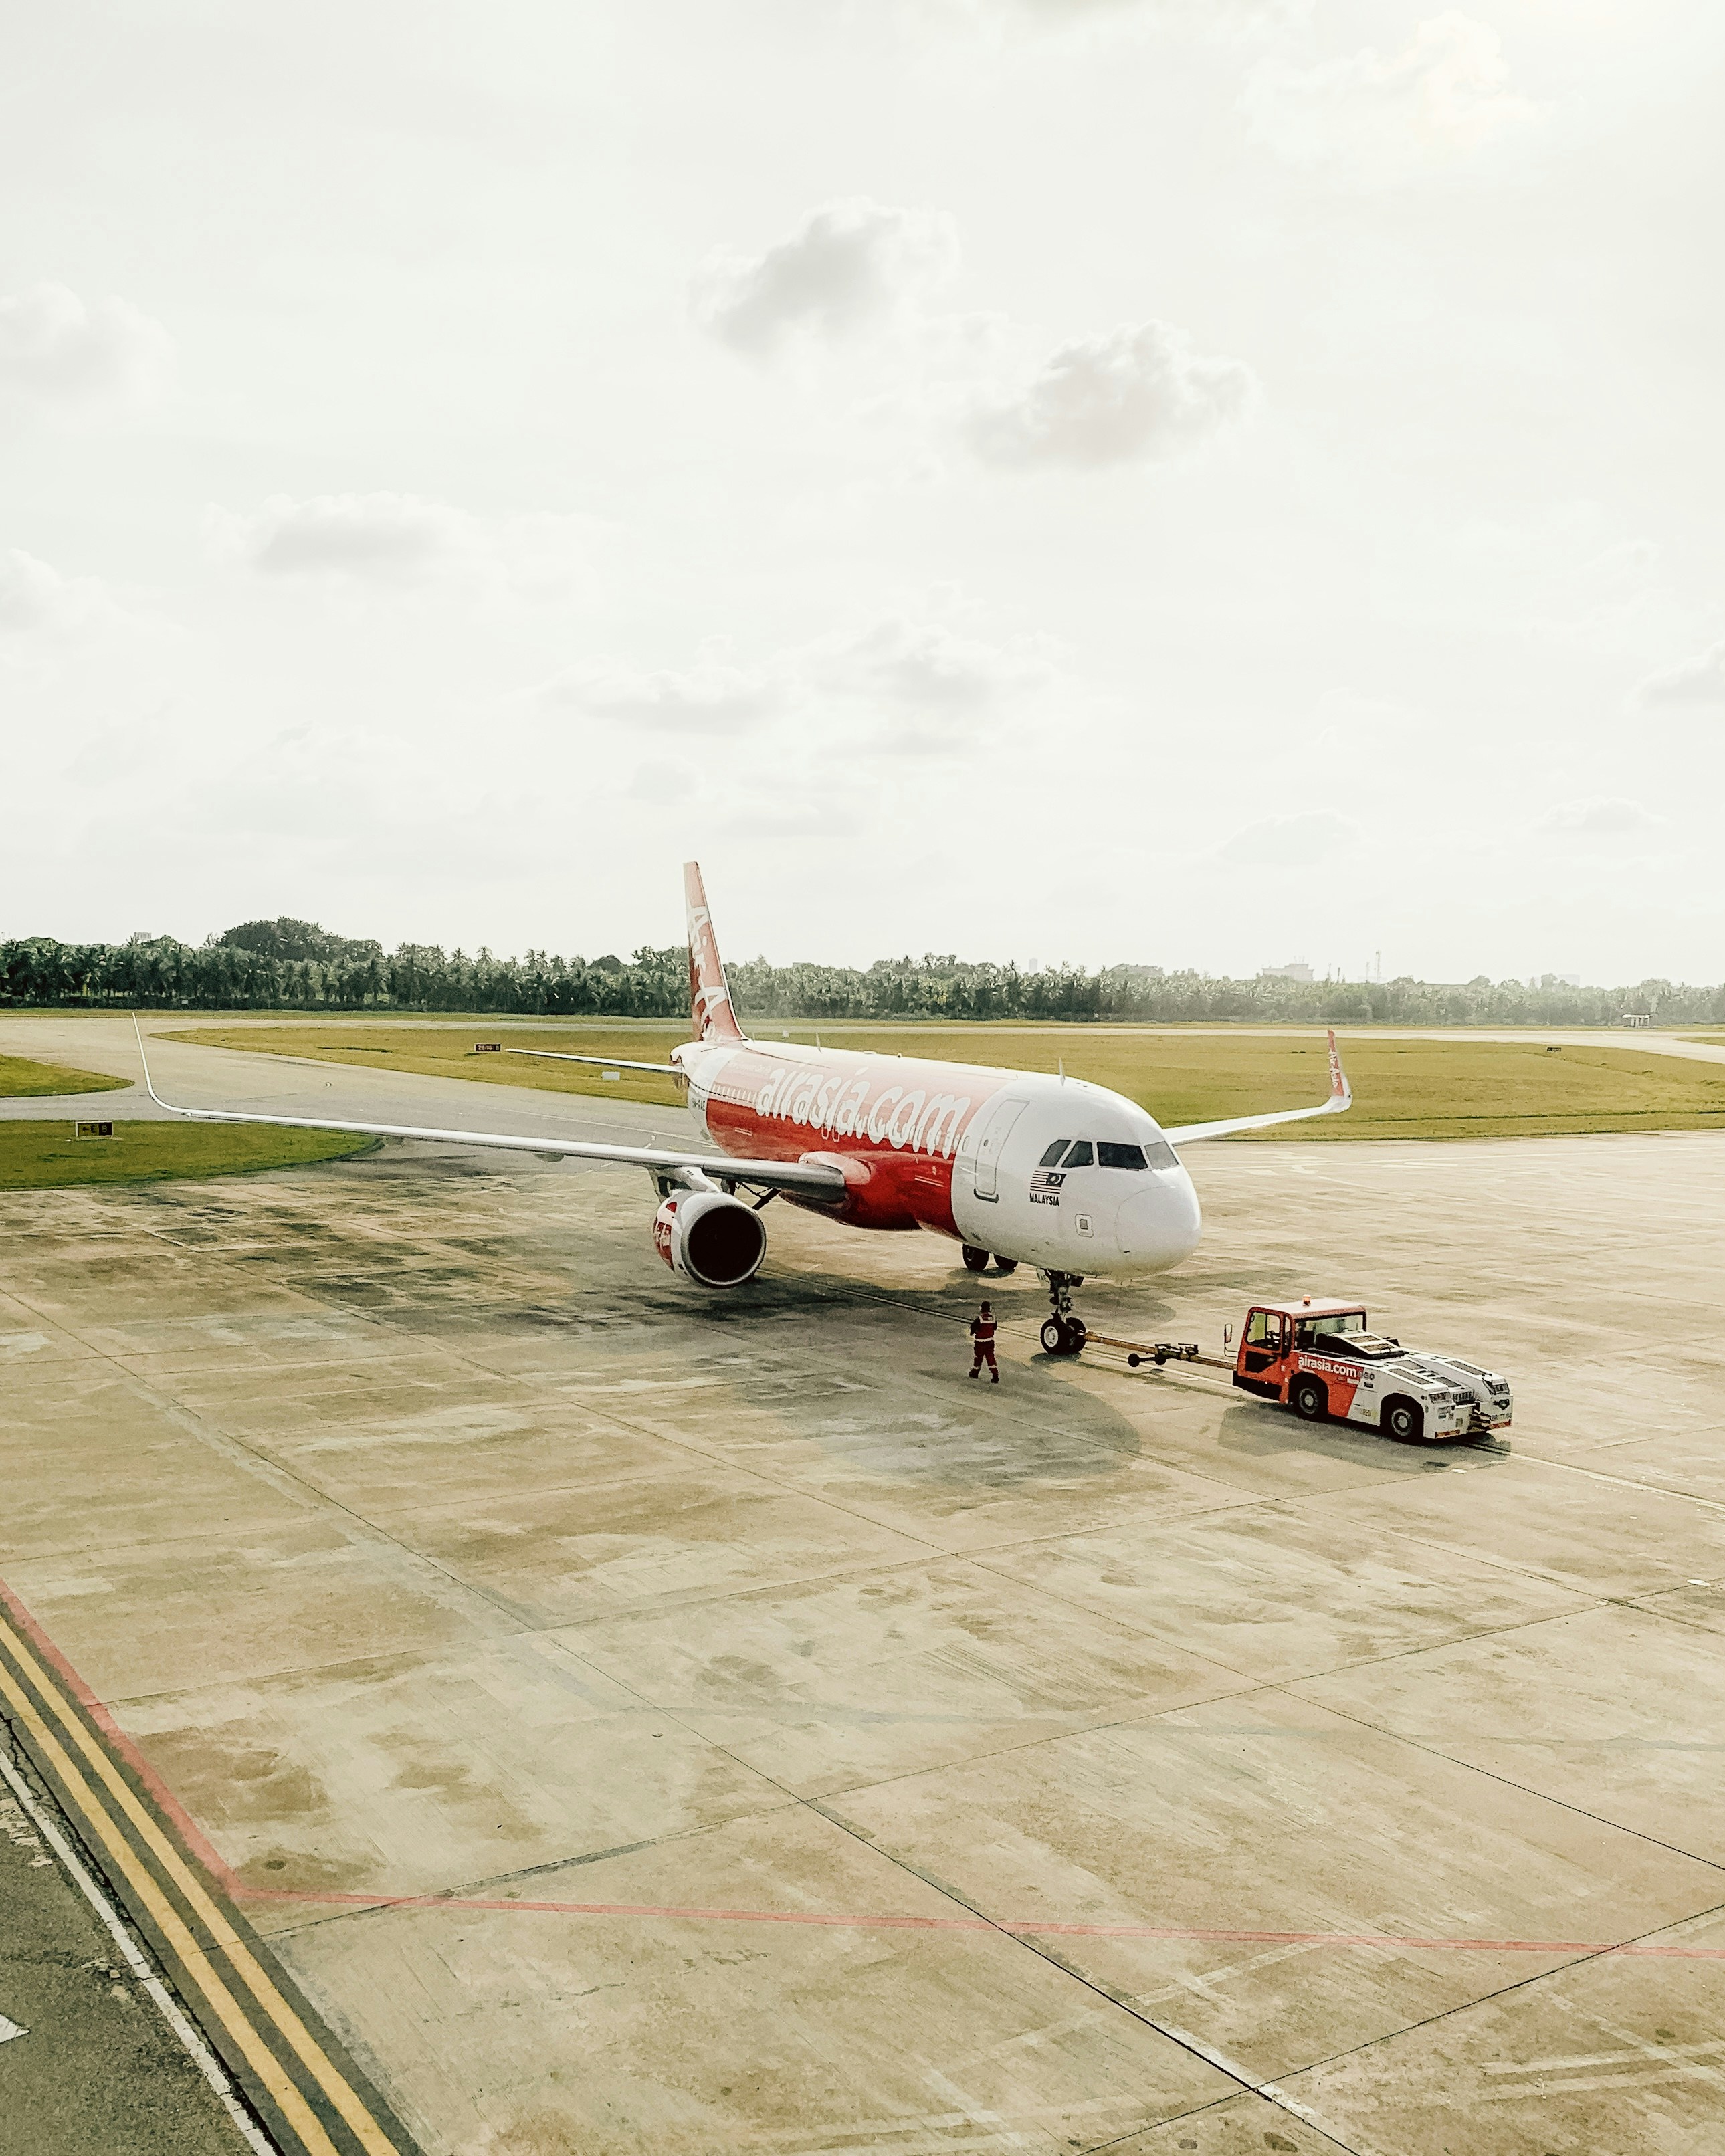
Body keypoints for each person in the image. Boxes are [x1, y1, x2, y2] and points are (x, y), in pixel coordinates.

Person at [969, 1301, 999, 1382]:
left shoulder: (980, 1318)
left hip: (980, 1343)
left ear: (981, 1308)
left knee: (978, 1358)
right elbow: (995, 1328)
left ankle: (975, 1372)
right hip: (990, 1342)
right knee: (990, 1358)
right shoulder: (993, 1318)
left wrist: (972, 1333)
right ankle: (995, 1374)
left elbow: (973, 1328)